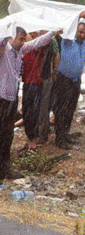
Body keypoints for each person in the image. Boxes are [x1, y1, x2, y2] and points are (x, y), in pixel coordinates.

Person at [0, 27, 56, 183]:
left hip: (10, 99)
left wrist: (53, 33)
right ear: (10, 37)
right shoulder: (0, 50)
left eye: (24, 39)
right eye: (21, 38)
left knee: (7, 135)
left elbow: (36, 43)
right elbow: (1, 43)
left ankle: (4, 168)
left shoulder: (19, 51)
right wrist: (7, 30)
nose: (23, 42)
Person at [52, 12, 85, 149]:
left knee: (71, 109)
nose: (81, 35)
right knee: (62, 110)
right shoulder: (67, 40)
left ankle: (65, 136)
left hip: (76, 81)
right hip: (63, 80)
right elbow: (68, 25)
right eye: (80, 32)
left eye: (84, 33)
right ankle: (59, 139)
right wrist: (79, 15)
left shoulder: (84, 44)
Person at [21, 31, 58, 149]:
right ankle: (31, 137)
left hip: (37, 83)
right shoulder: (24, 47)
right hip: (27, 83)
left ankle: (35, 137)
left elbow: (43, 42)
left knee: (35, 112)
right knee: (27, 112)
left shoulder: (40, 46)